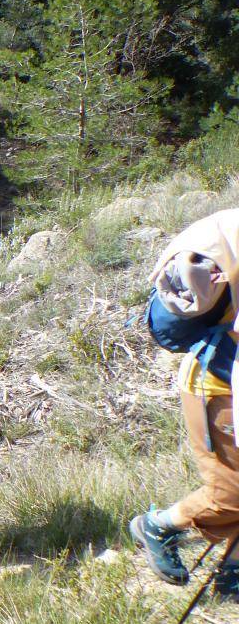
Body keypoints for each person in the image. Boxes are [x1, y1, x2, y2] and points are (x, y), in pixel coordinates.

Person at [130, 209, 239, 602]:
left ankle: (232, 572)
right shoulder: (230, 237)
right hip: (218, 384)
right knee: (230, 493)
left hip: (226, 376)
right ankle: (158, 526)